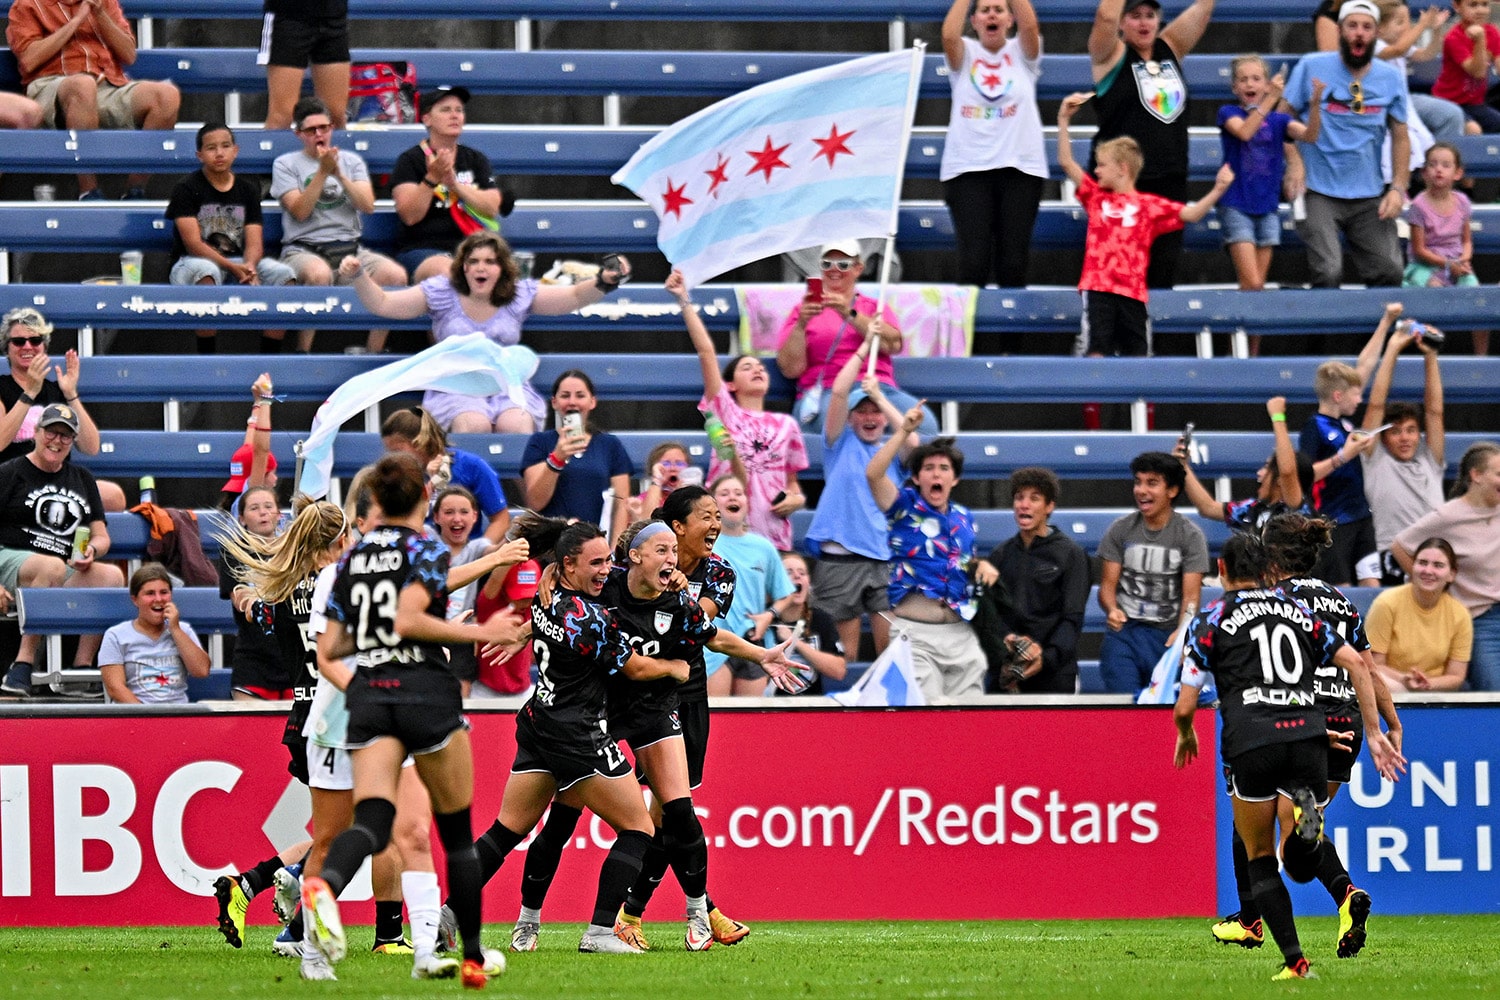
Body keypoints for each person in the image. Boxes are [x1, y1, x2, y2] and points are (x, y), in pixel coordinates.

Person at [479, 518, 794, 953]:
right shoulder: (605, 586)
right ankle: (533, 922)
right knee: (562, 824)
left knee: (678, 812)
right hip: (598, 713)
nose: (672, 559)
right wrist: (525, 628)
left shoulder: (677, 602)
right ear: (636, 557)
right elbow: (584, 623)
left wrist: (762, 655)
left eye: (673, 551)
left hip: (652, 711)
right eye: (661, 550)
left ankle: (699, 914)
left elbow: (713, 636)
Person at [302, 453, 521, 985]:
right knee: (457, 835)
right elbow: (409, 618)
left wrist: (366, 683)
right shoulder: (422, 548)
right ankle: (470, 955)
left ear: (374, 502)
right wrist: (481, 633)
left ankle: (325, 885)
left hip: (371, 694)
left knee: (373, 822)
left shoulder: (350, 562)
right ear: (425, 498)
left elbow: (331, 648)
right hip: (425, 691)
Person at [455, 517, 693, 955]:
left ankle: (446, 916)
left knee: (506, 831)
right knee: (639, 827)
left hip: (538, 724)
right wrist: (675, 668)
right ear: (567, 565)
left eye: (608, 560)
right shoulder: (591, 617)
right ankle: (601, 933)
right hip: (580, 735)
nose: (607, 569)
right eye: (597, 563)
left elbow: (583, 587)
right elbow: (636, 667)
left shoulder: (547, 597)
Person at [1173, 532, 1403, 981]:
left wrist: (1191, 728)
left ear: (1223, 570)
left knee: (1261, 846)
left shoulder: (1224, 613)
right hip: (1323, 732)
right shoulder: (1322, 607)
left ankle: (1275, 941)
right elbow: (1362, 664)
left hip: (1264, 731)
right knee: (1295, 843)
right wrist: (1379, 729)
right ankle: (1328, 873)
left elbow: (1190, 701)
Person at [343, 233, 631, 433]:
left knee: (516, 424)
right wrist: (359, 276)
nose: (481, 268)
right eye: (474, 261)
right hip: (457, 385)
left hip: (506, 385)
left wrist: (605, 282)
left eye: (490, 261)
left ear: (501, 268)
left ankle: (529, 514)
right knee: (473, 424)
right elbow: (383, 303)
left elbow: (574, 296)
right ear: (463, 267)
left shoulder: (518, 294)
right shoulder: (442, 292)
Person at [1057, 92, 1234, 357]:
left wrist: (1218, 190)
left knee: (1138, 356)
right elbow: (1066, 163)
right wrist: (1062, 120)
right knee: (1096, 351)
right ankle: (1093, 399)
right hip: (1098, 288)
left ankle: (1140, 400)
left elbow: (1193, 213)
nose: (1096, 170)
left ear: (1122, 168)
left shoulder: (1149, 206)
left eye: (1102, 165)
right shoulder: (1096, 197)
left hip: (1133, 292)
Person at [672, 268, 807, 550]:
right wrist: (683, 299)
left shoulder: (786, 424)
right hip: (725, 536)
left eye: (760, 368)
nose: (757, 370)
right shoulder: (724, 411)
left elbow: (792, 482)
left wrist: (797, 499)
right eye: (748, 367)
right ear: (731, 384)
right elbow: (707, 352)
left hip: (773, 538)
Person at [1086, 0, 1215, 289]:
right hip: (1123, 183)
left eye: (1149, 16)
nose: (1144, 23)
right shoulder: (1111, 55)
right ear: (1122, 22)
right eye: (1134, 16)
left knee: (1162, 276)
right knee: (1121, 275)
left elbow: (1204, 10)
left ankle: (1156, 336)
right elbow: (1105, 17)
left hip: (1169, 180)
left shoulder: (1169, 47)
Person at [1284, 0, 1411, 289]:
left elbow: (1401, 137)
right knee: (1329, 272)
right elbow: (1280, 120)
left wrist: (1398, 188)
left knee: (1390, 271)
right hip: (1316, 189)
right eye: (1352, 26)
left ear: (1376, 33)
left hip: (1368, 193)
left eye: (1366, 27)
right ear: (1340, 30)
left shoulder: (1390, 77)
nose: (1359, 33)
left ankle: (1373, 336)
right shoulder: (1311, 66)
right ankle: (1316, 335)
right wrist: (1294, 162)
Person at [0, 404, 124, 697]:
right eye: (51, 433)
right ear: (37, 433)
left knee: (111, 577)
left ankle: (81, 668)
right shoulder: (10, 472)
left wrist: (92, 549)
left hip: (63, 564)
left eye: (66, 436)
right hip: (11, 558)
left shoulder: (81, 478)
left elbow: (101, 534)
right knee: (51, 567)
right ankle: (22, 665)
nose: (57, 441)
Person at [5, 0, 180, 200]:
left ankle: (134, 190)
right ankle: (89, 191)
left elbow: (129, 55)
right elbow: (29, 60)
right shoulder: (27, 5)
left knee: (167, 96)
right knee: (83, 85)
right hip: (51, 85)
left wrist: (100, 15)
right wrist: (77, 21)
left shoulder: (105, 3)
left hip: (106, 84)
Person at [866, 410, 986, 701]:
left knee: (971, 721)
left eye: (943, 468)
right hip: (916, 636)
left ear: (954, 479)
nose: (936, 473)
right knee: (929, 717)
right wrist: (904, 431)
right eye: (928, 468)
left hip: (960, 633)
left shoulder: (964, 517)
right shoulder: (903, 507)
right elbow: (873, 474)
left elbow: (963, 564)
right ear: (917, 477)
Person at [805, 351, 917, 659]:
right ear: (851, 417)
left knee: (890, 651)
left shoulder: (892, 450)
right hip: (839, 560)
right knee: (843, 657)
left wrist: (879, 397)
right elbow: (839, 392)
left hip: (883, 560)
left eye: (875, 412)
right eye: (862, 411)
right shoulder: (838, 443)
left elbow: (912, 443)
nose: (869, 417)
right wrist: (864, 346)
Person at [271, 96, 406, 354]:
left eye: (324, 128)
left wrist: (339, 174)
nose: (319, 135)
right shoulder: (285, 164)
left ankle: (372, 353)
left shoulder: (351, 161)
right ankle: (303, 353)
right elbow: (300, 211)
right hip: (303, 249)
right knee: (319, 275)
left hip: (350, 250)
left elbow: (367, 205)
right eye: (311, 130)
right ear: (299, 134)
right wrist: (322, 173)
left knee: (395, 276)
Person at [774, 239, 936, 436]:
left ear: (858, 268)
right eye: (827, 264)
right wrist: (801, 325)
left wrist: (848, 313)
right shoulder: (802, 311)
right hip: (827, 390)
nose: (834, 270)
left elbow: (892, 344)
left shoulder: (874, 307)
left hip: (876, 388)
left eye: (843, 264)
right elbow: (791, 369)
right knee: (839, 427)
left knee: (925, 427)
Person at [939, 0, 1046, 288]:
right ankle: (970, 335)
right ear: (973, 21)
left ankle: (1011, 334)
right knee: (974, 264)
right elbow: (948, 35)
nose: (991, 15)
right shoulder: (965, 53)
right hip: (968, 170)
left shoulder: (1022, 54)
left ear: (1010, 19)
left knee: (1013, 264)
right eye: (984, 10)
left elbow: (1031, 26)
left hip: (1020, 168)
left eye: (998, 9)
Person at [167, 123, 298, 355]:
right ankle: (207, 360)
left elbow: (255, 240)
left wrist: (248, 266)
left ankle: (268, 360)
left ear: (235, 151)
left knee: (284, 275)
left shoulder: (247, 190)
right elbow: (193, 244)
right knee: (207, 271)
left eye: (225, 146)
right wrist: (234, 268)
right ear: (199, 155)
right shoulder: (185, 188)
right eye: (211, 148)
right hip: (189, 263)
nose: (219, 153)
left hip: (237, 261)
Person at [1096, 451, 1209, 695]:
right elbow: (1107, 587)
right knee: (1124, 709)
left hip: (1167, 637)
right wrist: (1111, 609)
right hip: (1125, 634)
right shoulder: (1120, 529)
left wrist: (1182, 633)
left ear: (1172, 490)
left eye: (1152, 483)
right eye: (1138, 482)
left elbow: (1191, 598)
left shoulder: (1190, 536)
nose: (1141, 490)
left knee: (1164, 714)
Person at [1218, 58, 1322, 317]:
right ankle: (1241, 345)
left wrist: (1316, 104)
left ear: (1266, 84)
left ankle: (1251, 353)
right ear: (1234, 87)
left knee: (1258, 290)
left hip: (1267, 208)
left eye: (1256, 79)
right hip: (1236, 204)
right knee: (1251, 284)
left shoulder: (1279, 121)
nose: (1250, 84)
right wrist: (1270, 100)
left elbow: (1310, 135)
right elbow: (1244, 132)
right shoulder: (1229, 113)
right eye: (1243, 79)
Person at [972, 466, 1090, 694]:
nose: (1024, 504)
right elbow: (991, 615)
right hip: (1007, 672)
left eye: (1034, 498)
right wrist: (1008, 641)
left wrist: (1044, 657)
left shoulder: (1072, 554)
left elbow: (1072, 619)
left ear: (1049, 506)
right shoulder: (1000, 555)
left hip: (1055, 675)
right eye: (1019, 498)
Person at [1393, 441, 1500, 690]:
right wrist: (1434, 586)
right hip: (1479, 619)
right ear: (1476, 475)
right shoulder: (1448, 516)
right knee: (1496, 691)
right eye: (1499, 474)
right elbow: (1401, 546)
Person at [0, 307, 124, 511]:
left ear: (44, 346)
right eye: (19, 341)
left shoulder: (56, 391)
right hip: (13, 480)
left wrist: (70, 394)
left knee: (114, 497)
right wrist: (29, 394)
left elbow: (91, 447)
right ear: (8, 348)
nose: (27, 346)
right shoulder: (2, 388)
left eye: (35, 340)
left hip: (57, 481)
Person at [389, 85, 514, 283]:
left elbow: (491, 208)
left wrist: (455, 185)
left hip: (473, 248)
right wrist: (432, 178)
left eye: (459, 110)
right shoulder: (410, 160)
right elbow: (410, 216)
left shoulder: (475, 159)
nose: (454, 115)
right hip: (424, 250)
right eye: (445, 110)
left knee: (503, 272)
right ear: (427, 119)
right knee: (450, 272)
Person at [1360, 315, 1446, 584]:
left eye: (1410, 430)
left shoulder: (1429, 458)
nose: (1405, 438)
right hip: (1393, 558)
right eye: (1395, 432)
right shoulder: (1375, 460)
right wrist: (1393, 348)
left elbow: (1434, 412)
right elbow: (1375, 407)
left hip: (1436, 554)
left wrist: (1430, 356)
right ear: (1384, 438)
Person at [706, 475, 795, 697]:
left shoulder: (764, 547)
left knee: (749, 719)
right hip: (714, 642)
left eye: (738, 493)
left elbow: (785, 595)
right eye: (724, 493)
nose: (732, 497)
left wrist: (769, 615)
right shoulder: (704, 544)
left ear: (747, 502)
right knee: (716, 718)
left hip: (754, 642)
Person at [519, 369, 633, 540]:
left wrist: (614, 551)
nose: (572, 402)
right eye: (565, 396)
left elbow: (621, 503)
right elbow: (535, 502)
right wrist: (557, 458)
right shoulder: (540, 442)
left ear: (592, 402)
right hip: (552, 544)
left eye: (580, 396)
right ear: (554, 402)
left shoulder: (610, 444)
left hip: (597, 546)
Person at [1177, 396, 1313, 534]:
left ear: (1280, 480)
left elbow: (1288, 471)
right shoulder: (1252, 509)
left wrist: (1277, 416)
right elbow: (1208, 508)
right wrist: (1183, 466)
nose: (1259, 473)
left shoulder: (1297, 511)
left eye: (1267, 467)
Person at [380, 406, 510, 543]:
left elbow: (500, 519)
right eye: (389, 452)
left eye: (397, 451)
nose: (393, 458)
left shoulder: (472, 466)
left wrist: (478, 554)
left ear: (419, 442)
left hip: (465, 552)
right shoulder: (396, 476)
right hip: (416, 551)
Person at [1369, 536, 1472, 693]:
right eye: (1422, 563)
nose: (1428, 571)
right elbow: (1374, 665)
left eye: (1438, 565)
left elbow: (1456, 675)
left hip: (1437, 691)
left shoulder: (1460, 614)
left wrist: (1427, 684)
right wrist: (1404, 680)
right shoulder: (1386, 603)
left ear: (1451, 574)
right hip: (1391, 686)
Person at [98, 565, 209, 705]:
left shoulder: (183, 630)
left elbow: (201, 671)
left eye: (164, 592)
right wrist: (147, 716)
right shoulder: (115, 635)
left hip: (177, 713)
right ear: (135, 600)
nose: (158, 599)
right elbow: (115, 688)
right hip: (135, 716)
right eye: (150, 593)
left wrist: (175, 629)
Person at [1377, 1, 1472, 142]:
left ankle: (1441, 160)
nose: (1407, 27)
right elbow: (1398, 50)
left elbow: (1427, 54)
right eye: (1400, 22)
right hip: (1380, 105)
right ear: (1379, 29)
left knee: (1451, 114)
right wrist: (1422, 25)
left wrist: (1436, 30)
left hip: (1405, 100)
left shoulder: (1402, 44)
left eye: (1408, 21)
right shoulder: (1374, 45)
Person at [260, 0, 349, 131]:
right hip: (289, 16)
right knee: (283, 115)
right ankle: (273, 151)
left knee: (335, 115)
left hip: (333, 14)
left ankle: (333, 151)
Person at [1404, 143, 1479, 290]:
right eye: (1433, 165)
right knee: (1435, 288)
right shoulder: (1418, 206)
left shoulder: (1462, 202)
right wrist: (1447, 264)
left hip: (1456, 263)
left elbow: (1466, 241)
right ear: (1424, 173)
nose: (1439, 169)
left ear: (1458, 173)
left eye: (1446, 165)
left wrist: (1463, 260)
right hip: (1424, 265)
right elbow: (1419, 249)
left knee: (1473, 290)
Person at [771, 552, 847, 696]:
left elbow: (839, 671)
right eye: (789, 572)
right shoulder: (764, 621)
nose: (797, 576)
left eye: (802, 573)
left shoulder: (820, 619)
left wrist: (796, 642)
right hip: (768, 710)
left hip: (809, 709)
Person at [1431, 0, 1500, 131]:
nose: (1480, 10)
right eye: (1473, 5)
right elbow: (1477, 72)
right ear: (1457, 7)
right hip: (1448, 103)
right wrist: (1480, 40)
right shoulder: (1453, 37)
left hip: (1475, 104)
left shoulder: (1492, 31)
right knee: (1473, 129)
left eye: (1485, 4)